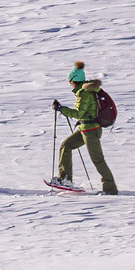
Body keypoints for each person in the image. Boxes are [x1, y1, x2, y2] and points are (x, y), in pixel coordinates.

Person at [54, 59, 118, 193]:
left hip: (91, 130)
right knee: (65, 146)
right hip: (86, 129)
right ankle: (65, 180)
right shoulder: (83, 92)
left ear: (73, 80)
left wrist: (61, 109)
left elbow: (78, 114)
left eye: (69, 80)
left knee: (97, 159)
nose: (69, 83)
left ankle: (110, 189)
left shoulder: (84, 93)